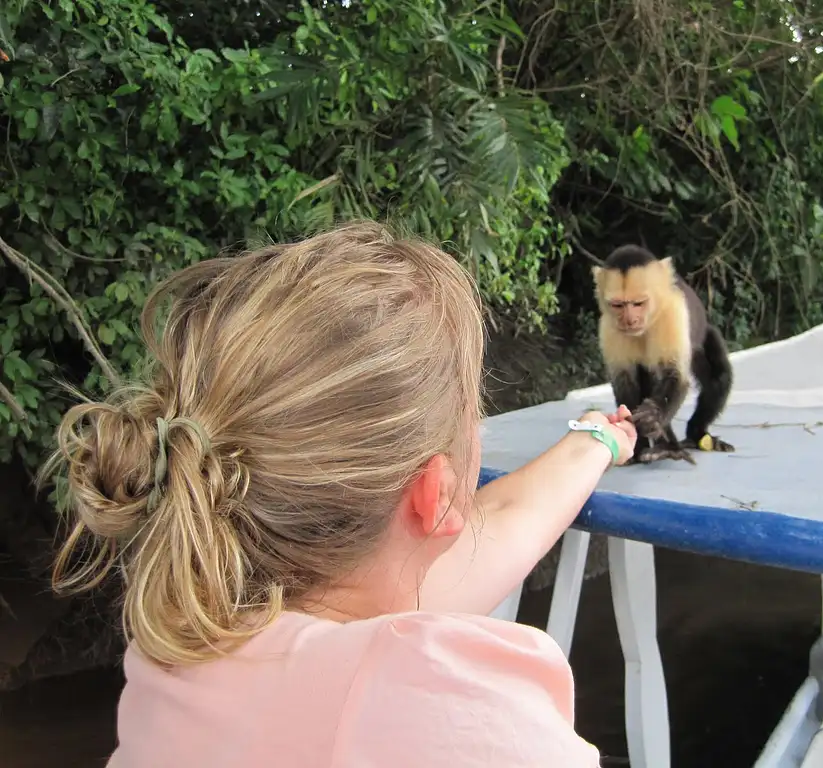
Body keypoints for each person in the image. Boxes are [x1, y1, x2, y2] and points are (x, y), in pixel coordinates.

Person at [44, 221, 639, 767]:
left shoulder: (177, 649)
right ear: (436, 493)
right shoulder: (447, 708)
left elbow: (505, 524)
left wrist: (595, 443)